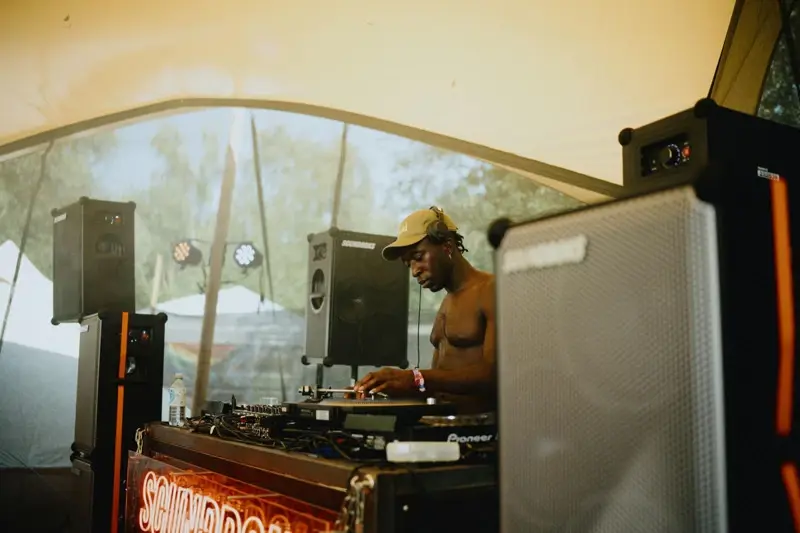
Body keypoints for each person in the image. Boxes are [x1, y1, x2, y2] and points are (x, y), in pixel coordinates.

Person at [354, 207, 496, 414]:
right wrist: (378, 390)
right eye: (408, 264)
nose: (414, 271)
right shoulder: (446, 304)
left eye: (418, 256)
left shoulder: (492, 290)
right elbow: (433, 385)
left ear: (447, 246)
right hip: (440, 425)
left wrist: (414, 377)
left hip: (482, 429)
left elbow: (495, 375)